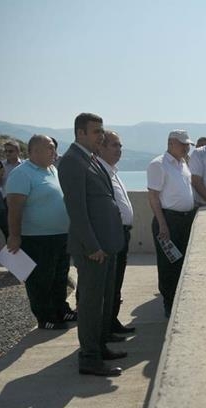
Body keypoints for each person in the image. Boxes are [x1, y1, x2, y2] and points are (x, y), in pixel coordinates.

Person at [59, 112, 126, 377]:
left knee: (103, 301)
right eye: (96, 131)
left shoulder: (91, 158)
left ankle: (99, 347)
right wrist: (91, 246)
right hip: (93, 249)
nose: (102, 135)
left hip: (106, 245)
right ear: (80, 133)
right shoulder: (72, 161)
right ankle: (89, 357)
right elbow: (77, 210)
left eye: (102, 130)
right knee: (90, 304)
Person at [5, 134, 75, 330]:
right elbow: (14, 208)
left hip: (60, 235)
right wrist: (14, 236)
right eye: (50, 147)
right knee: (41, 279)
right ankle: (46, 317)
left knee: (60, 276)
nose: (54, 151)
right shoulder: (22, 173)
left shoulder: (52, 169)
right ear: (35, 151)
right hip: (36, 238)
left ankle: (61, 310)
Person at [147, 130, 197, 318]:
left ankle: (181, 301)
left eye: (188, 144)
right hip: (169, 220)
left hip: (186, 219)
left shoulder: (183, 163)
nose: (186, 148)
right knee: (169, 263)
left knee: (184, 262)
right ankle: (169, 303)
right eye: (183, 144)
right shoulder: (158, 164)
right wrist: (162, 224)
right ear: (171, 143)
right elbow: (153, 196)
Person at [97, 130, 136, 334]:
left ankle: (112, 321)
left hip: (121, 233)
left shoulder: (112, 171)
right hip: (110, 234)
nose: (119, 149)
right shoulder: (99, 172)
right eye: (114, 145)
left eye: (120, 145)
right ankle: (105, 327)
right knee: (108, 283)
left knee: (116, 280)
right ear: (101, 147)